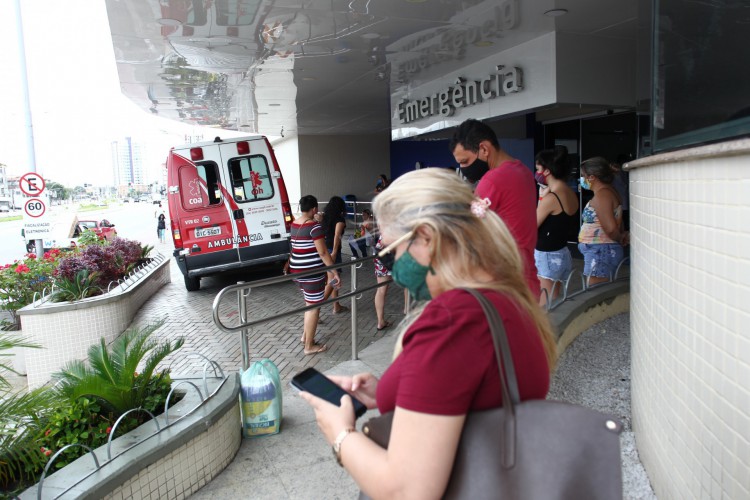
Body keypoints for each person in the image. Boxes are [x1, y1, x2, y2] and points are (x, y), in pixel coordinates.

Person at [300, 168, 557, 498]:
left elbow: (406, 491)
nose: (391, 265)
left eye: (391, 251)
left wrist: (341, 433)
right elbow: (469, 390)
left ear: (426, 237)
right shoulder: (504, 297)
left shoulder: (452, 322)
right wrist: (390, 393)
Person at [449, 118, 540, 298]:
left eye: (465, 162)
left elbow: (468, 229)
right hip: (526, 278)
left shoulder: (493, 180)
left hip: (503, 285)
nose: (463, 169)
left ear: (484, 149)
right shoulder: (522, 170)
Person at [289, 195, 341, 355]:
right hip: (310, 272)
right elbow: (323, 252)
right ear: (314, 209)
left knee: (310, 304)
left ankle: (305, 337)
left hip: (296, 271)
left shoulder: (294, 224)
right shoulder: (314, 227)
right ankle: (309, 346)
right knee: (314, 308)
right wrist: (334, 271)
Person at [534, 149, 578, 306]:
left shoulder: (552, 198)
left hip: (547, 256)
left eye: (538, 169)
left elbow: (532, 225)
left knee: (544, 304)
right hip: (562, 253)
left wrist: (541, 198)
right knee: (555, 300)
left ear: (547, 171)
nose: (536, 173)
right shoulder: (570, 193)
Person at [578, 156, 629, 286]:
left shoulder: (603, 195)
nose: (581, 179)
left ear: (592, 177)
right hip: (600, 250)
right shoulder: (607, 192)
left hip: (601, 251)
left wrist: (620, 238)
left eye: (583, 176)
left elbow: (611, 228)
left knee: (595, 293)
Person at [321, 196, 348, 314]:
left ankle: (336, 305)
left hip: (325, 248)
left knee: (333, 279)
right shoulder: (340, 219)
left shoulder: (325, 218)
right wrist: (335, 252)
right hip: (332, 250)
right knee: (332, 280)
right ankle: (316, 309)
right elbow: (337, 235)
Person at [372, 235, 392, 331]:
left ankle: (380, 321)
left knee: (380, 290)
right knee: (381, 290)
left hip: (380, 253)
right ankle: (406, 310)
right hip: (387, 255)